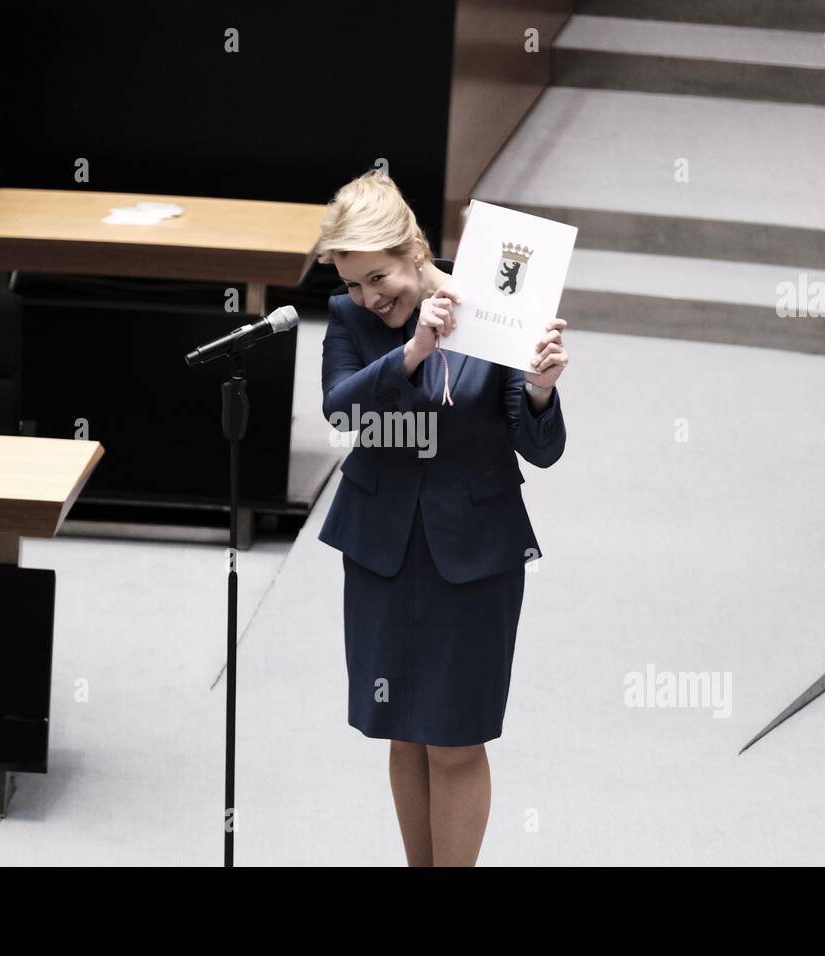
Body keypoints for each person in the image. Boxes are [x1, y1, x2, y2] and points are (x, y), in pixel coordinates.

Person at [314, 170, 569, 866]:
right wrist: (412, 351)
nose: (370, 295)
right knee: (403, 730)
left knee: (455, 739)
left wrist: (541, 392)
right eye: (355, 282)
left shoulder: (498, 306)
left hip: (475, 555)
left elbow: (541, 450)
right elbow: (345, 413)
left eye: (379, 276)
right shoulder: (351, 321)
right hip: (381, 552)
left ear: (415, 249)